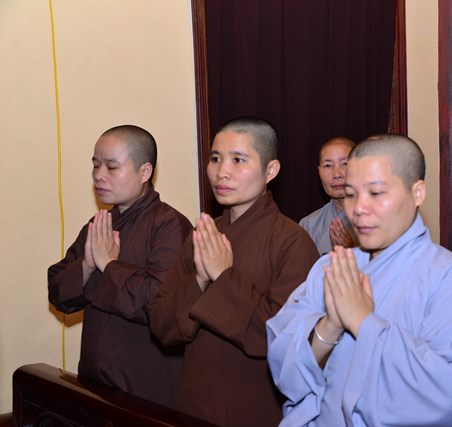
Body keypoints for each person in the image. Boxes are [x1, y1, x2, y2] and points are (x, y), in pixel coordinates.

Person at [267, 134, 452, 426]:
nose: (359, 208)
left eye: (375, 193)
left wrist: (363, 321)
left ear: (417, 193)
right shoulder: (331, 267)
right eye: (351, 194)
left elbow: (447, 393)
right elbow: (283, 368)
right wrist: (330, 325)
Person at [148, 117, 319, 426]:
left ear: (270, 170)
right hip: (195, 402)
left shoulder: (292, 242)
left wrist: (223, 276)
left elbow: (282, 339)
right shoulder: (203, 234)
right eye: (215, 159)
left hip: (256, 408)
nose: (221, 172)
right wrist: (200, 279)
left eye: (238, 160)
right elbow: (161, 324)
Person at [48, 125, 193, 407]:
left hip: (145, 388)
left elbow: (159, 304)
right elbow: (57, 291)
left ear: (145, 172)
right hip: (95, 380)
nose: (98, 176)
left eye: (112, 167)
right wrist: (88, 266)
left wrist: (109, 265)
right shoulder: (99, 225)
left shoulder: (169, 226)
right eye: (96, 165)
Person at [300, 137, 356, 254]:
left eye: (345, 164)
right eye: (328, 166)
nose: (336, 174)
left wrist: (354, 250)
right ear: (319, 171)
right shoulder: (309, 225)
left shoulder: (376, 218)